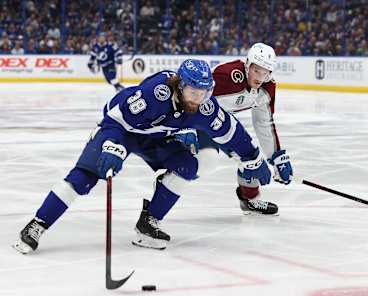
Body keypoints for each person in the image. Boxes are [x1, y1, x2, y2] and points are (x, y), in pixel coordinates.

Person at [13, 59, 271, 253]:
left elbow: (231, 131)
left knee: (187, 166)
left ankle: (148, 223)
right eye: (193, 92)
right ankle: (38, 223)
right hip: (121, 131)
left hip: (155, 139)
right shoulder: (155, 94)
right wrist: (112, 145)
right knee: (85, 177)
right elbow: (115, 116)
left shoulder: (205, 105)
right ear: (180, 86)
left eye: (204, 93)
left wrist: (253, 158)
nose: (198, 99)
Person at [174, 43, 293, 216]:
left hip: (223, 123)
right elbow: (188, 94)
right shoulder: (227, 75)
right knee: (207, 161)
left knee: (252, 159)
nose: (260, 77)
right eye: (256, 70)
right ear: (247, 65)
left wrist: (276, 157)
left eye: (266, 72)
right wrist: (185, 126)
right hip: (198, 118)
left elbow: (264, 123)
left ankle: (249, 200)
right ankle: (170, 180)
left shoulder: (267, 88)